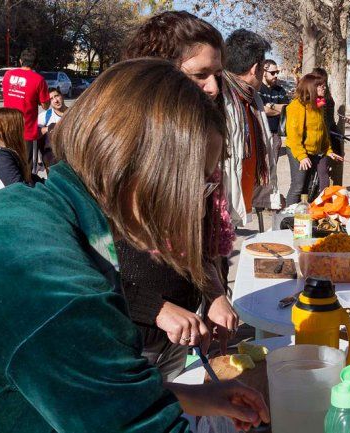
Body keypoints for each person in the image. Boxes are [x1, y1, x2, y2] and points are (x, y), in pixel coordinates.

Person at [0, 58, 270, 433]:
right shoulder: (62, 292)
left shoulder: (36, 211)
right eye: (199, 183)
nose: (200, 203)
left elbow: (89, 390)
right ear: (142, 172)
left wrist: (197, 397)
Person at [123, 10, 237, 381]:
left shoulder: (198, 139)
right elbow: (80, 264)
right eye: (199, 74)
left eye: (217, 75)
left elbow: (196, 240)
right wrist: (156, 309)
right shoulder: (116, 152)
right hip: (126, 338)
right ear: (158, 73)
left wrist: (214, 293)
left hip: (176, 337)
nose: (213, 88)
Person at [222, 29, 280, 226]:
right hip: (222, 206)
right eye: (264, 68)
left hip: (242, 200)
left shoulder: (253, 99)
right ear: (256, 68)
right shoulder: (221, 100)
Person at [285, 73, 343, 205]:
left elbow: (322, 132)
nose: (324, 87)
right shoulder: (297, 106)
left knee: (309, 187)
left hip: (312, 152)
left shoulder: (318, 105)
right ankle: (288, 214)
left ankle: (304, 213)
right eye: (320, 85)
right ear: (310, 87)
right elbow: (293, 136)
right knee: (298, 186)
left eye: (324, 85)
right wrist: (301, 156)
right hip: (297, 151)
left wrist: (328, 151)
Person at [2, 48, 49, 178]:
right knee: (28, 171)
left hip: (7, 130)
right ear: (35, 64)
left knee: (11, 167)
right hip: (27, 132)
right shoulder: (38, 80)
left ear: (20, 61)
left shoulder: (8, 75)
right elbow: (45, 105)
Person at [311, 67, 345, 186]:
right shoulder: (324, 98)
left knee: (322, 172)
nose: (323, 86)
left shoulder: (325, 100)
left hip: (323, 139)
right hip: (322, 138)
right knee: (321, 172)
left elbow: (327, 121)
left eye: (324, 83)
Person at [259, 59, 290, 161]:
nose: (276, 75)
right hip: (261, 132)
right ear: (264, 72)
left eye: (277, 72)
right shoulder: (258, 88)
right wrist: (279, 110)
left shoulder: (280, 90)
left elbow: (287, 108)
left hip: (276, 133)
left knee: (273, 165)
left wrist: (271, 105)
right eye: (272, 73)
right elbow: (263, 110)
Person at [37, 87, 68, 166]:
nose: (55, 100)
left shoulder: (74, 113)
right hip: (53, 160)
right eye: (51, 99)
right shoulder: (45, 116)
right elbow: (34, 133)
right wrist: (47, 129)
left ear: (62, 96)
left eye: (56, 96)